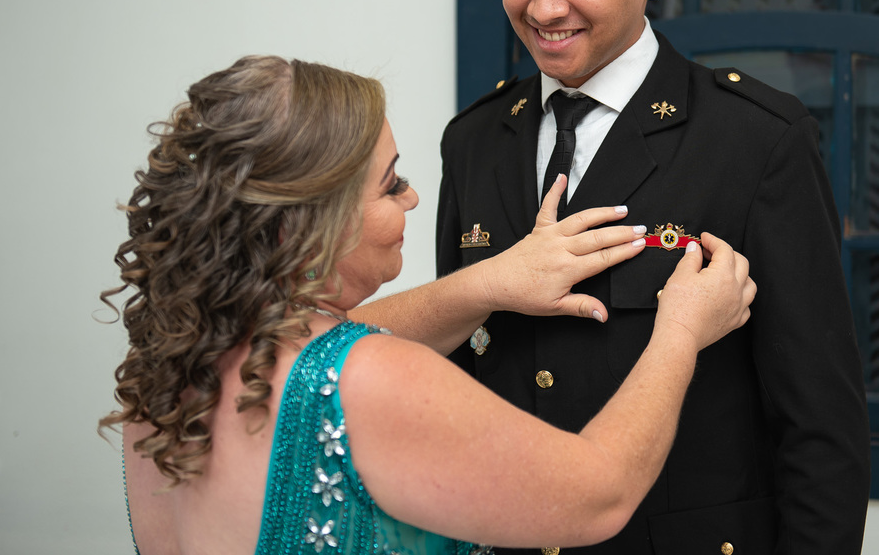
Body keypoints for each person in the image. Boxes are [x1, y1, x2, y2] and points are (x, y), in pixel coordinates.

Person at [100, 55, 756, 555]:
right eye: (390, 185)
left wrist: (489, 282)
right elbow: (599, 494)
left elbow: (318, 345)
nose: (413, 199)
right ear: (303, 228)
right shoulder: (364, 379)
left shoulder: (168, 370)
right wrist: (679, 330)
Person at [432, 0, 871, 554]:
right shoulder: (474, 139)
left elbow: (820, 423)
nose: (544, 6)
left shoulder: (755, 139)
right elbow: (459, 371)